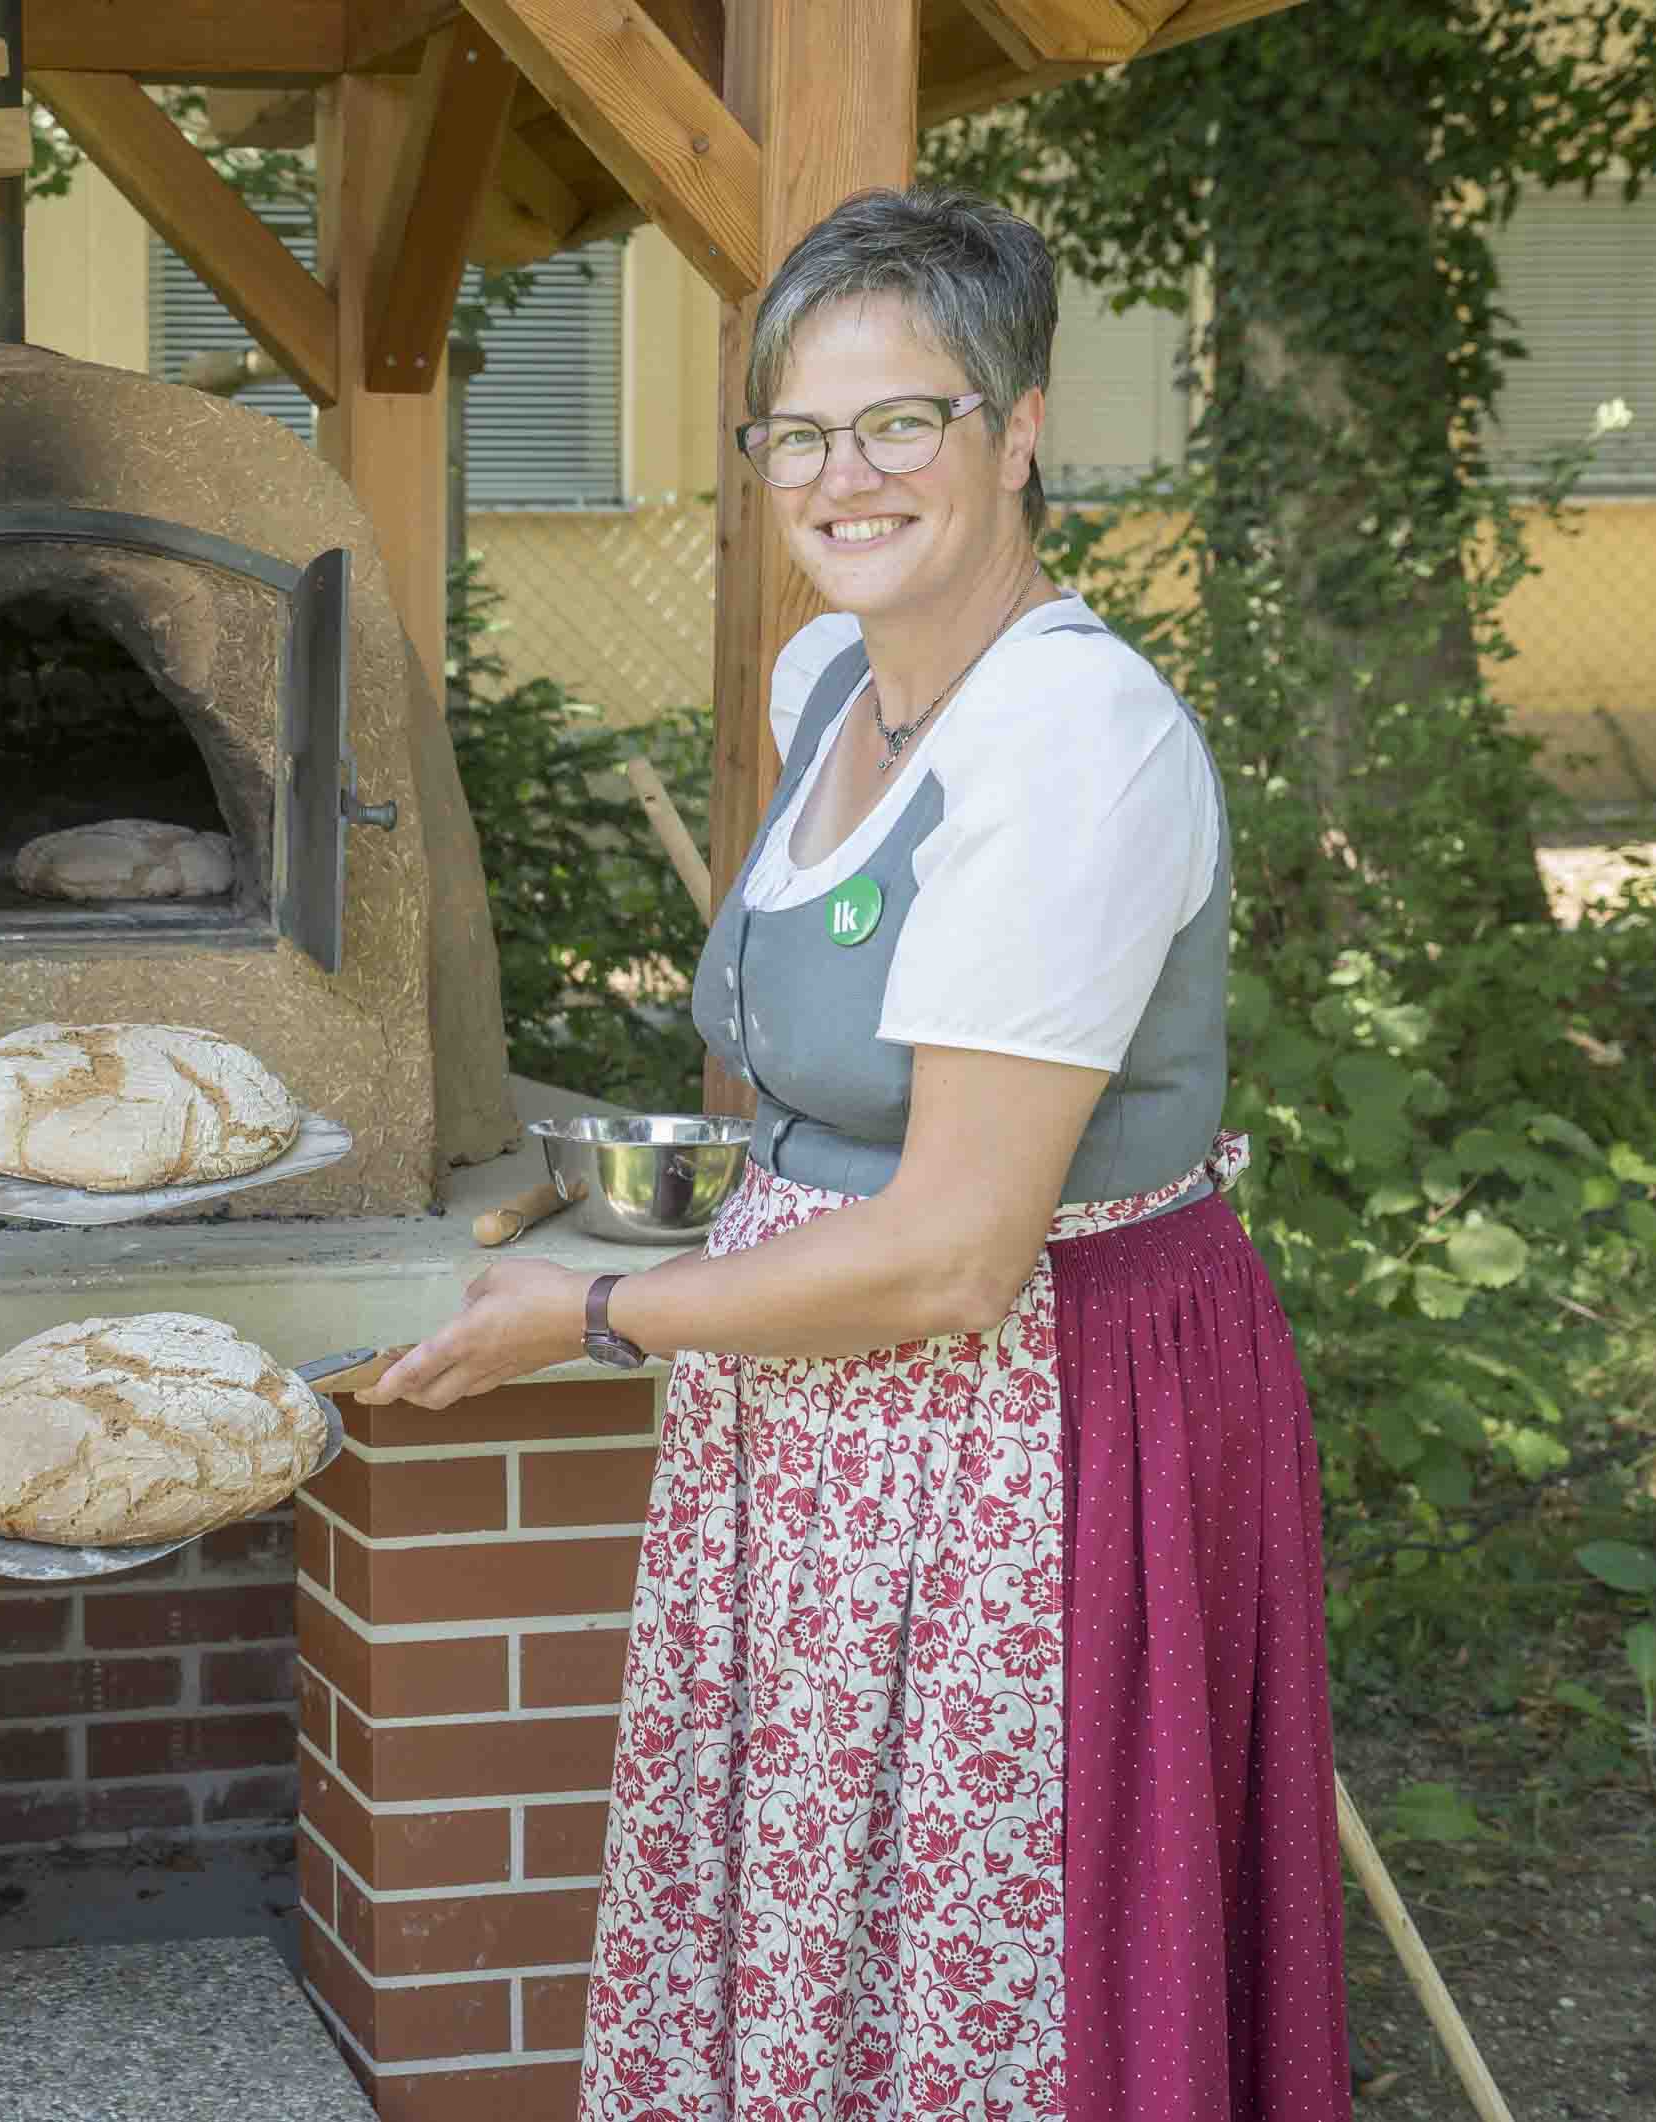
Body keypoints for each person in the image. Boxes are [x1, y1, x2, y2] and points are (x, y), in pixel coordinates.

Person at [362, 189, 1352, 2119]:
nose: (846, 475)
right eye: (798, 434)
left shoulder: (1075, 742)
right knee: (819, 1922)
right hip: (812, 1423)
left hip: (1024, 1434)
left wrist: (602, 1310)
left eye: (903, 419)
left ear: (1020, 427)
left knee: (982, 1958)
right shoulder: (830, 682)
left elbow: (955, 1253)